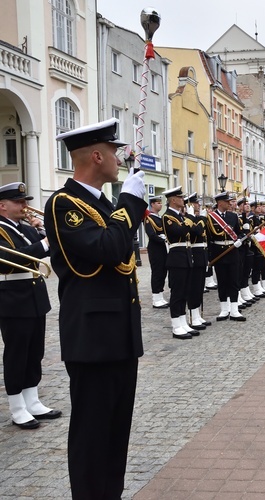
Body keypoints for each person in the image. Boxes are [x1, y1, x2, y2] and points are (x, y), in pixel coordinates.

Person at [46, 118, 146, 499]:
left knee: (116, 428)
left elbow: (120, 250)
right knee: (92, 431)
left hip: (119, 334)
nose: (120, 158)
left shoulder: (102, 203)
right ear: (97, 155)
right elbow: (105, 249)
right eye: (115, 151)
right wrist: (131, 204)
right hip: (92, 338)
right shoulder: (63, 203)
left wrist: (124, 208)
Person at [0, 182, 61, 429]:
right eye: (19, 202)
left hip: (33, 295)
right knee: (17, 353)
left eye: (25, 201)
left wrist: (41, 230)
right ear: (2, 206)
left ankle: (32, 401)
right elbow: (11, 258)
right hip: (12, 297)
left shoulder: (22, 228)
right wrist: (43, 242)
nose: (25, 205)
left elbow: (47, 248)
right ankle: (17, 408)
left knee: (35, 351)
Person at [162, 186, 199, 339]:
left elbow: (195, 232)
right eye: (180, 197)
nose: (183, 200)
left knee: (185, 291)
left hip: (186, 256)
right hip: (177, 257)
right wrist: (190, 219)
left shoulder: (182, 217)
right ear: (173, 200)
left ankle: (183, 322)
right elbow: (180, 232)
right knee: (177, 292)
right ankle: (176, 324)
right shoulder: (168, 217)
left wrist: (195, 218)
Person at [206, 191, 246, 321]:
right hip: (219, 253)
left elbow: (239, 233)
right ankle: (224, 309)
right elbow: (208, 238)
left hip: (232, 251)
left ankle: (234, 309)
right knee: (222, 281)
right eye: (227, 202)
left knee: (234, 280)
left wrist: (240, 240)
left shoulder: (233, 216)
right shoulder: (210, 217)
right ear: (220, 203)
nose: (230, 204)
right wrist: (209, 257)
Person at [185, 193, 212, 329]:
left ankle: (198, 315)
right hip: (194, 254)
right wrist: (202, 218)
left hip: (202, 253)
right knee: (194, 287)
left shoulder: (195, 218)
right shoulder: (187, 218)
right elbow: (196, 231)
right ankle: (192, 315)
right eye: (195, 203)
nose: (198, 205)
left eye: (198, 203)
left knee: (200, 287)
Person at [143, 195, 169, 308]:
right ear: (152, 204)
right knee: (157, 272)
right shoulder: (149, 218)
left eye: (161, 203)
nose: (160, 204)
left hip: (163, 248)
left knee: (163, 272)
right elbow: (151, 235)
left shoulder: (160, 218)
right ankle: (155, 298)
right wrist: (163, 239)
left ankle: (160, 295)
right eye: (158, 203)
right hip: (155, 248)